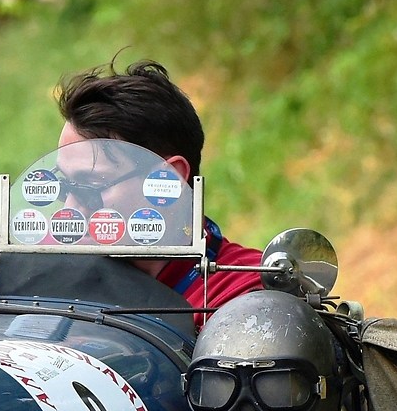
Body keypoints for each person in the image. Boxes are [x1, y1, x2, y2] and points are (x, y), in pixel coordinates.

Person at [53, 60, 262, 316]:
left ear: (168, 178)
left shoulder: (246, 298)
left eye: (93, 185)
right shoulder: (49, 277)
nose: (70, 208)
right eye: (66, 186)